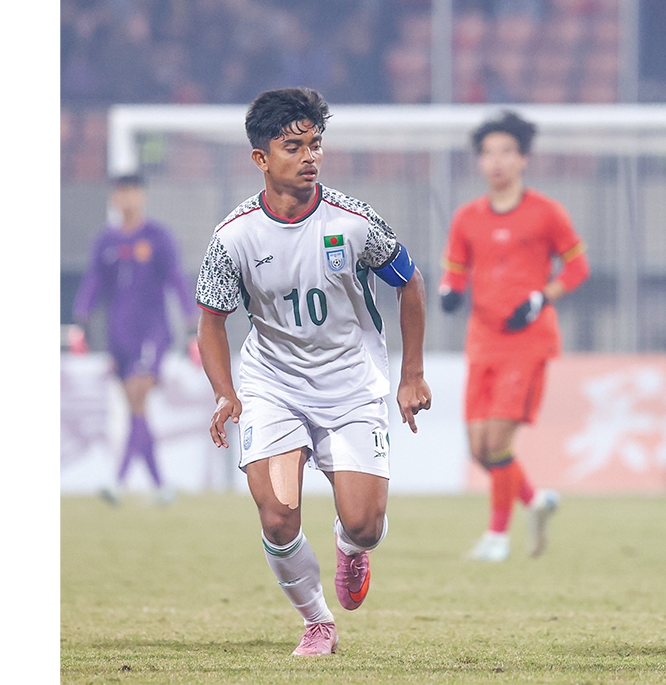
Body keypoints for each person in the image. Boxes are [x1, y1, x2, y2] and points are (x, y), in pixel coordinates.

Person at [194, 87, 431, 657]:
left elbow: (411, 283)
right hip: (274, 387)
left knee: (366, 523)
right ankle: (317, 621)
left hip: (351, 385)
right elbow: (210, 321)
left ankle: (353, 547)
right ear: (260, 158)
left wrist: (411, 374)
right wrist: (226, 394)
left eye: (316, 144)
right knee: (277, 516)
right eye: (293, 145)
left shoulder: (354, 223)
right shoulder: (233, 237)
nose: (309, 156)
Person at [438, 111, 589, 562]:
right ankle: (536, 501)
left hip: (527, 341)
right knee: (480, 450)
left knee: (498, 444)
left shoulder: (546, 213)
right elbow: (455, 274)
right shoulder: (467, 218)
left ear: (523, 159)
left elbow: (578, 267)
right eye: (488, 153)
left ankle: (496, 537)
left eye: (506, 151)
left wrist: (544, 296)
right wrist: (450, 294)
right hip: (482, 340)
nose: (497, 161)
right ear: (479, 162)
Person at [70, 173, 195, 506]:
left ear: (142, 197)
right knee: (136, 410)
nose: (126, 199)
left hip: (152, 331)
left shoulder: (157, 237)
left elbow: (175, 278)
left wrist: (189, 319)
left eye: (132, 192)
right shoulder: (105, 242)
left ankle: (119, 480)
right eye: (120, 192)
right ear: (114, 198)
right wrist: (80, 317)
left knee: (138, 398)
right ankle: (160, 485)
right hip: (118, 335)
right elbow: (94, 282)